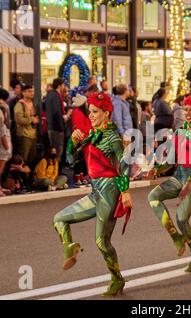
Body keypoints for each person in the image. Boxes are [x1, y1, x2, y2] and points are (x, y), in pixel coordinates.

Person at [53, 92, 132, 296]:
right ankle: (70, 248)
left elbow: (124, 165)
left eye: (95, 112)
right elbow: (71, 160)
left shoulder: (113, 138)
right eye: (90, 112)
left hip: (110, 192)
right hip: (96, 192)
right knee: (59, 219)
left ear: (106, 113)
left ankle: (117, 279)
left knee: (101, 242)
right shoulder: (92, 135)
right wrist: (72, 141)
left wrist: (125, 192)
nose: (91, 115)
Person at [147, 94, 191, 273]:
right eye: (186, 109)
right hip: (180, 176)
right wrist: (157, 169)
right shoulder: (181, 130)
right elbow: (170, 160)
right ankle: (175, 236)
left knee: (182, 219)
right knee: (153, 196)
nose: (188, 112)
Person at [0, 88, 12, 197]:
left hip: (2, 151)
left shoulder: (2, 125)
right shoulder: (1, 125)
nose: (6, 116)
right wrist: (7, 147)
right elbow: (3, 137)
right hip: (2, 150)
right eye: (4, 113)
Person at [14, 85, 39, 166]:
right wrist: (32, 120)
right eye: (29, 91)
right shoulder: (20, 104)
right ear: (23, 93)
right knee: (23, 159)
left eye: (32, 91)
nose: (32, 93)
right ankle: (22, 177)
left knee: (32, 159)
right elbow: (19, 120)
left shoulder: (33, 104)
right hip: (24, 135)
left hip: (33, 135)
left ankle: (29, 177)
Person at [69, 94, 91, 186]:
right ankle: (77, 177)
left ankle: (82, 177)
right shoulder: (77, 112)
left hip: (85, 138)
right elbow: (80, 127)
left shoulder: (83, 112)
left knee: (83, 160)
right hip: (80, 139)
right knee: (79, 159)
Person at [45, 78, 67, 161]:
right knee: (58, 151)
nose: (64, 87)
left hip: (52, 127)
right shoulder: (55, 96)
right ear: (59, 86)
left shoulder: (50, 95)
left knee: (56, 150)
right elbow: (56, 113)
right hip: (56, 128)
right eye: (63, 85)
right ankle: (55, 171)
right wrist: (61, 128)